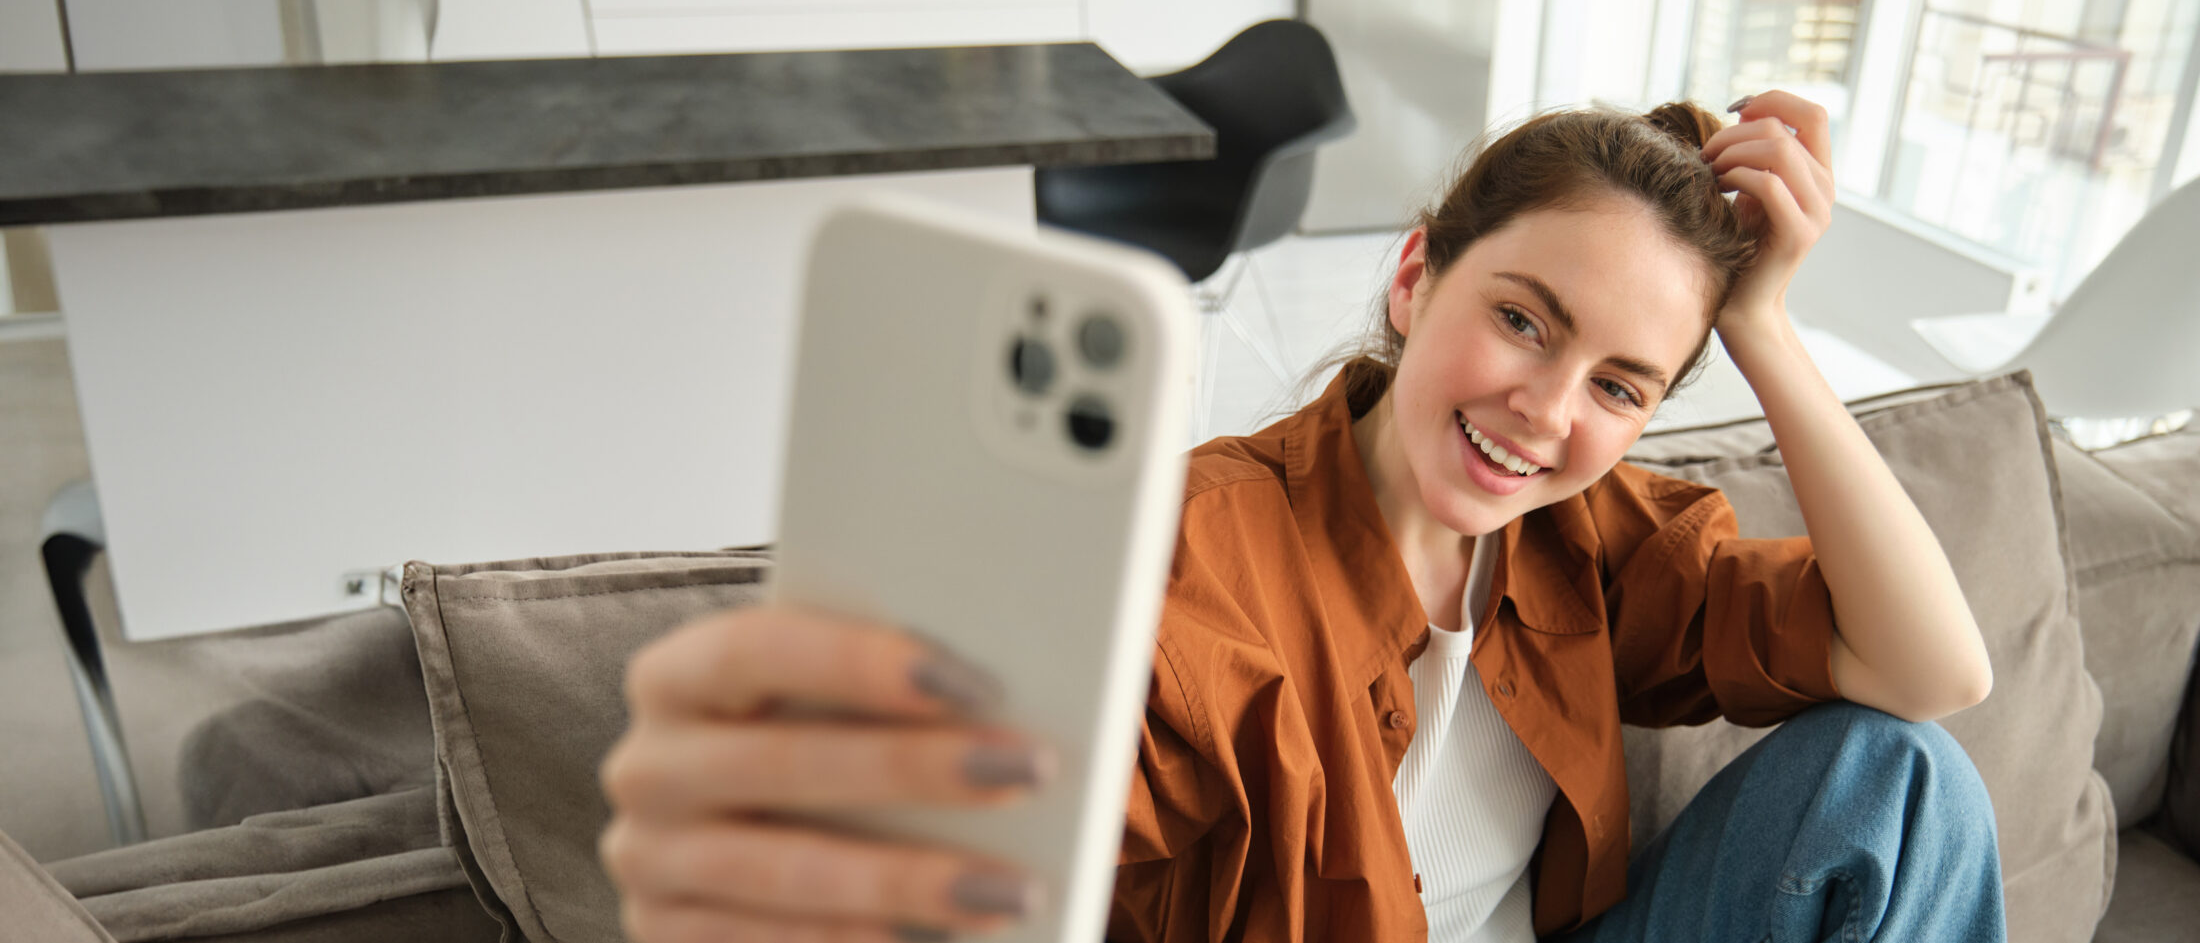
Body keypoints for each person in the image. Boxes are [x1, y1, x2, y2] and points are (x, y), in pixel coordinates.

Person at [596, 91, 2006, 943]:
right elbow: (991, 847)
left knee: (1903, 775)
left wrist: (1762, 326)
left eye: (1619, 384)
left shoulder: (1596, 532)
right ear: (1415, 278)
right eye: (1523, 319)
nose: (1545, 411)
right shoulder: (1202, 560)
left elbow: (1931, 674)